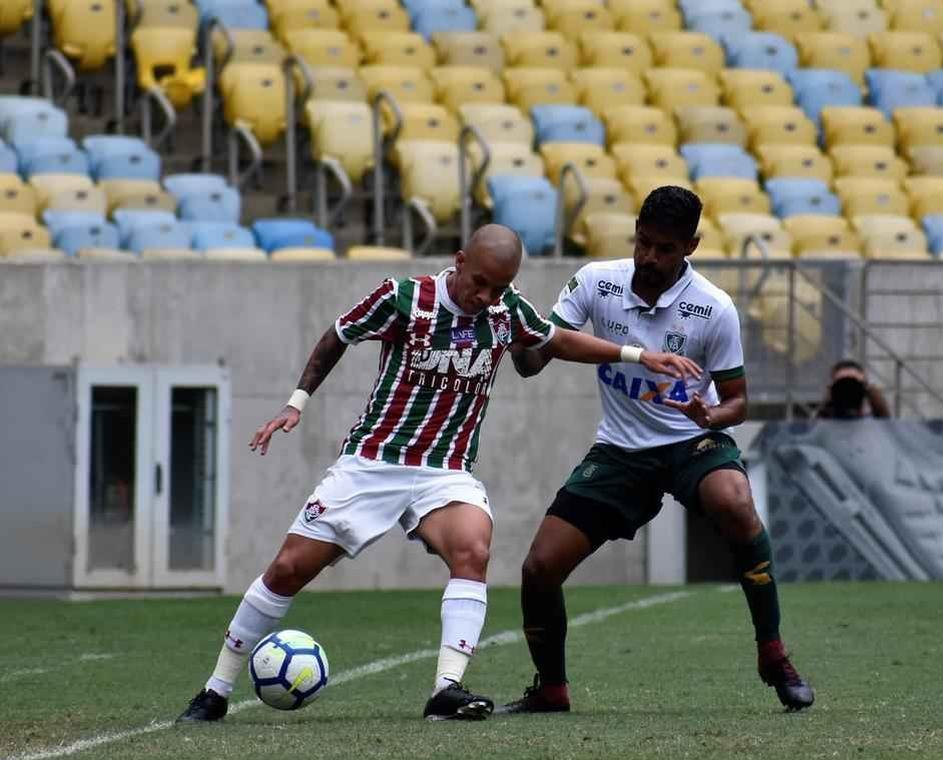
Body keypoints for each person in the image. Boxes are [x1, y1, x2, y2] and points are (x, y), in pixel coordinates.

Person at [176, 224, 700, 724]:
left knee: (474, 549)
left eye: (499, 288)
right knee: (289, 569)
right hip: (375, 461)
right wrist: (296, 402)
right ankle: (216, 689)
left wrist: (638, 355)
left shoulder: (507, 311)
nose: (486, 297)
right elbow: (338, 334)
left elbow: (556, 341)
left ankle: (446, 689)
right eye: (480, 283)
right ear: (460, 262)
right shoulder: (403, 298)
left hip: (444, 471)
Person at [497, 186, 814, 715]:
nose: (649, 257)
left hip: (693, 440)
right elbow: (535, 360)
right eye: (643, 242)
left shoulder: (714, 308)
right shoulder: (598, 282)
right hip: (621, 451)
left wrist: (708, 416)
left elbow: (736, 403)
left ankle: (773, 653)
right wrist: (516, 335)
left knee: (736, 503)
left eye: (664, 248)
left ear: (690, 245)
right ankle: (552, 690)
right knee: (539, 569)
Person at [815, 359, 891, 419]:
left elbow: (888, 427)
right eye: (842, 385)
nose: (849, 390)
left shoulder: (874, 422)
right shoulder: (827, 426)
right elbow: (814, 431)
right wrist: (827, 402)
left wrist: (874, 395)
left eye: (854, 383)